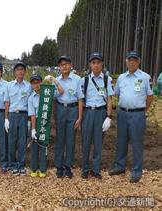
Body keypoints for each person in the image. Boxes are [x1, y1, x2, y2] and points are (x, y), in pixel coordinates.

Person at [109, 51, 153, 183]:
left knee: (136, 143)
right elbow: (115, 93)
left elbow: (150, 97)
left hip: (137, 115)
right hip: (122, 113)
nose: (132, 62)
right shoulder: (121, 78)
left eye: (135, 59)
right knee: (121, 141)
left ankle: (136, 170)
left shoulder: (145, 77)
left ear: (139, 61)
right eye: (130, 59)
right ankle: (119, 166)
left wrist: (142, 110)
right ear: (126, 61)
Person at [47, 56, 84, 179]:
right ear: (59, 67)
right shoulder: (56, 80)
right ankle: (59, 166)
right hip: (60, 109)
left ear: (71, 65)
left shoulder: (77, 79)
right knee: (60, 139)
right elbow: (53, 98)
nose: (64, 66)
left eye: (66, 64)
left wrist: (79, 117)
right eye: (62, 65)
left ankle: (68, 166)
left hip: (73, 110)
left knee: (70, 139)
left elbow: (80, 98)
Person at [81, 52, 113, 180]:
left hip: (101, 113)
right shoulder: (85, 80)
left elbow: (110, 99)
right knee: (86, 142)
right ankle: (85, 169)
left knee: (98, 143)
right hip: (88, 113)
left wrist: (109, 117)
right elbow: (81, 99)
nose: (96, 65)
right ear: (90, 64)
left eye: (98, 62)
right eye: (93, 62)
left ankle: (95, 170)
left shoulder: (107, 79)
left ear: (102, 64)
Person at [5, 62, 31, 176]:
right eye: (18, 70)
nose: (20, 71)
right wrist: (6, 118)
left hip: (24, 115)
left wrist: (29, 119)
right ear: (15, 72)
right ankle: (13, 165)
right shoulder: (9, 85)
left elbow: (31, 103)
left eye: (22, 69)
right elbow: (7, 102)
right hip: (13, 115)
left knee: (22, 141)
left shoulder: (28, 86)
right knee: (12, 141)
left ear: (25, 72)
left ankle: (21, 165)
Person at [28, 74, 48, 178]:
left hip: (44, 122)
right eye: (33, 83)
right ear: (31, 84)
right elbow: (32, 115)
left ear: (41, 82)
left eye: (37, 82)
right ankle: (34, 168)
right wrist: (33, 129)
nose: (36, 85)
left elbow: (61, 91)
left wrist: (54, 81)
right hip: (35, 121)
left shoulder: (46, 94)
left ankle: (43, 169)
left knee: (43, 146)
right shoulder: (31, 97)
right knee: (34, 146)